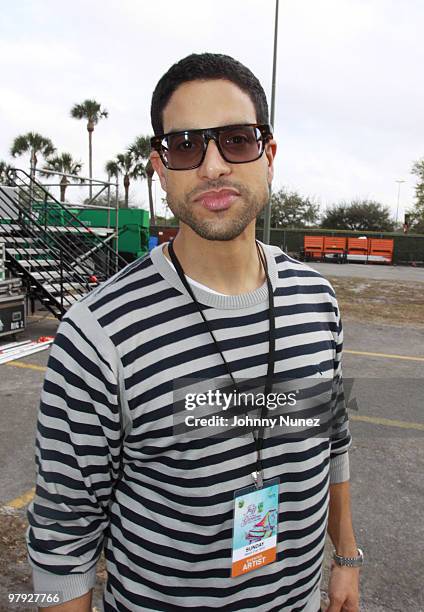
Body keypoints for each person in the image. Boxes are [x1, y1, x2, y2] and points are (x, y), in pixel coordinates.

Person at [27, 53, 361, 612]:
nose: (212, 166)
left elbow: (333, 443)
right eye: (186, 145)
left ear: (269, 155)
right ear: (161, 168)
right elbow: (64, 539)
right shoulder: (97, 335)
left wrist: (346, 556)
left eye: (236, 139)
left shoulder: (316, 299)